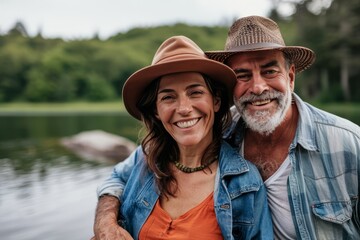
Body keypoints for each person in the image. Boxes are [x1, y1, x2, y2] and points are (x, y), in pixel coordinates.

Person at [93, 16, 360, 239]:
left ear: (290, 78)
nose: (257, 87)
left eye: (269, 71)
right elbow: (118, 176)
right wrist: (106, 223)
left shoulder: (348, 143)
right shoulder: (212, 130)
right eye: (243, 75)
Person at [92, 35, 273, 240]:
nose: (184, 109)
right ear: (156, 111)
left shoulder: (244, 183)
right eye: (168, 97)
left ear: (215, 101)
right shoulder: (146, 159)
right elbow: (115, 178)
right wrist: (105, 222)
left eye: (195, 92)